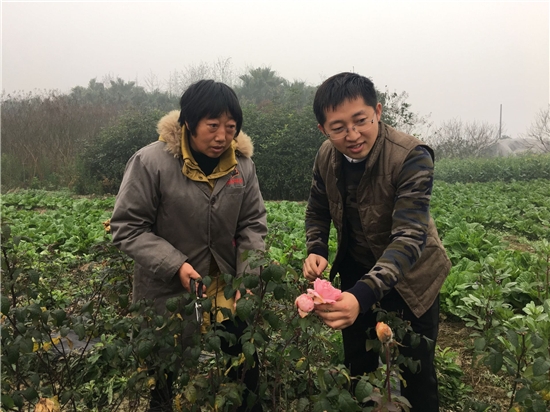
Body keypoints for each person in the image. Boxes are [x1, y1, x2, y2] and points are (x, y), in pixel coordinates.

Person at [110, 79, 267, 412]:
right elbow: (128, 227)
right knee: (165, 378)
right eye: (213, 126)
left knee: (243, 367)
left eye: (231, 127)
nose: (222, 136)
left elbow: (252, 224)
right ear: (188, 123)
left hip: (226, 283)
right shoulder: (151, 162)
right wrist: (175, 264)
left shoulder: (242, 167)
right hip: (168, 288)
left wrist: (248, 276)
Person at [302, 72, 451, 411]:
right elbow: (317, 209)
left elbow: (410, 237)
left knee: (418, 377)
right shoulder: (326, 156)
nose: (352, 135)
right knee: (359, 368)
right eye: (338, 127)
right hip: (355, 271)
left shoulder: (411, 155)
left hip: (413, 280)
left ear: (378, 112)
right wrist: (317, 249)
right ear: (323, 129)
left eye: (361, 121)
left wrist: (362, 296)